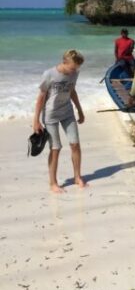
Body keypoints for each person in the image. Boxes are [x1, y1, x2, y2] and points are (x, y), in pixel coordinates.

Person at [32, 49, 87, 193]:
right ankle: (53, 183)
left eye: (76, 68)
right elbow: (41, 98)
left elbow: (72, 91)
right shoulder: (49, 74)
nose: (74, 71)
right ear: (64, 62)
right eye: (72, 67)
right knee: (55, 148)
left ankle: (77, 177)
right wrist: (36, 121)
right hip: (51, 115)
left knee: (75, 144)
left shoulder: (74, 73)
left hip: (67, 112)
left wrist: (80, 110)